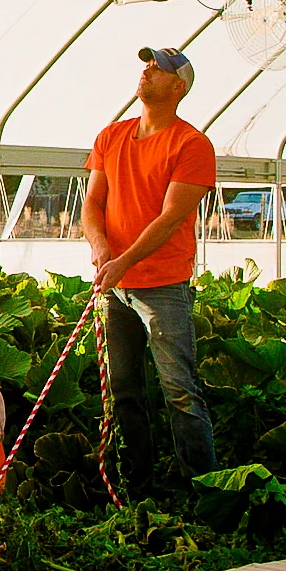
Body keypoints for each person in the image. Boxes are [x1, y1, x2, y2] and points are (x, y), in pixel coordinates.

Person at [83, 46, 217, 489]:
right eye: (146, 65)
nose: (147, 72)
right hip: (116, 286)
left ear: (178, 88)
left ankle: (201, 489)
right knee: (124, 391)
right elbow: (92, 204)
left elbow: (172, 216)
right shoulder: (111, 136)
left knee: (180, 392)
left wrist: (123, 261)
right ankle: (137, 486)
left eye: (158, 69)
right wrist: (101, 247)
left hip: (163, 286)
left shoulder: (192, 144)